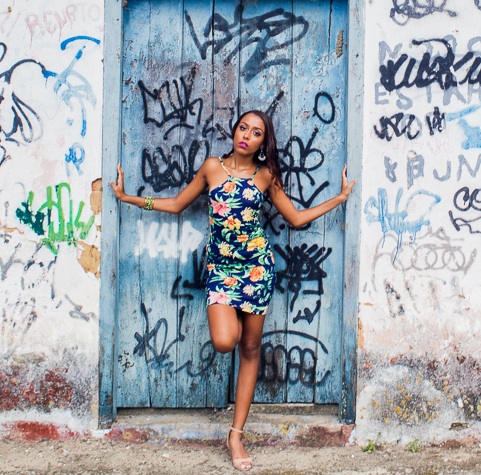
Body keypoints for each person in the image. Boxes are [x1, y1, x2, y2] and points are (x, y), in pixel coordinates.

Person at [109, 110, 355, 471]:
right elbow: (176, 205)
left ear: (263, 143)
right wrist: (127, 197)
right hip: (222, 270)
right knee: (226, 340)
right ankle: (235, 331)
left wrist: (340, 198)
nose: (246, 136)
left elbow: (295, 218)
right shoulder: (212, 168)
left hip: (257, 270)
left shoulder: (266, 175)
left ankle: (236, 435)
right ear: (235, 130)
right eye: (243, 128)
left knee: (251, 349)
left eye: (256, 133)